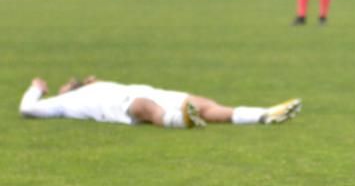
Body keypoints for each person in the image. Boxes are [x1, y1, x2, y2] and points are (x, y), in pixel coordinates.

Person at [19, 77, 300, 128]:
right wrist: (36, 89)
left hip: (157, 93)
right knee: (143, 107)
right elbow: (27, 109)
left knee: (206, 104)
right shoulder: (64, 100)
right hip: (126, 104)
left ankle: (264, 114)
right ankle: (181, 121)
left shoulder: (98, 84)